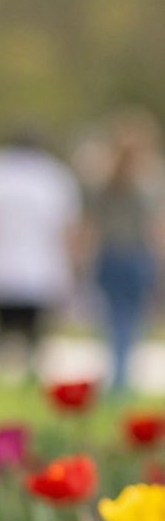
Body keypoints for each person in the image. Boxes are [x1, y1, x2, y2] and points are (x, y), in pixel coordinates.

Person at [0, 128, 82, 374]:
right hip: (38, 268)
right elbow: (68, 227)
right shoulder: (52, 176)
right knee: (30, 334)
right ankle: (26, 376)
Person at [82, 110, 164, 392]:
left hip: (109, 255)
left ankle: (117, 373)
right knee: (130, 318)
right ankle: (121, 376)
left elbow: (91, 223)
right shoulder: (150, 181)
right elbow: (155, 226)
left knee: (113, 317)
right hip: (136, 255)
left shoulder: (102, 180)